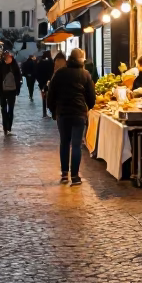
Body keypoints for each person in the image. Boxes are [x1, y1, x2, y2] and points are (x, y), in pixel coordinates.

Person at [46, 48, 95, 186]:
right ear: (81, 60)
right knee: (76, 145)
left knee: (64, 143)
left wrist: (53, 110)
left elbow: (51, 94)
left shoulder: (59, 73)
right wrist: (88, 107)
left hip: (62, 113)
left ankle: (64, 175)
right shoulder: (85, 74)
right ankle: (75, 177)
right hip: (79, 113)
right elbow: (91, 97)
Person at [0, 50, 22, 134]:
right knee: (4, 109)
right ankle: (5, 126)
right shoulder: (0, 66)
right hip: (3, 91)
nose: (9, 59)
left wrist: (18, 89)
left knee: (11, 109)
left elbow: (18, 78)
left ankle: (8, 125)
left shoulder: (14, 66)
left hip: (11, 91)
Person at [35, 51, 53, 117]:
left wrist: (39, 81)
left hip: (42, 82)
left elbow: (37, 72)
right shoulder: (51, 62)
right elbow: (52, 72)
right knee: (49, 96)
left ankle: (44, 111)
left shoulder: (40, 63)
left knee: (44, 97)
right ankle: (49, 110)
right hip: (49, 82)